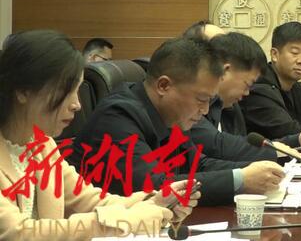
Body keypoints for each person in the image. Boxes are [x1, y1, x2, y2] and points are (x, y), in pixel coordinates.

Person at [0, 30, 192, 241]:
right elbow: (16, 233)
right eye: (66, 91)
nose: (77, 104)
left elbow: (90, 201)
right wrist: (120, 222)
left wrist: (154, 202)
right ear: (23, 91)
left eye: (77, 91)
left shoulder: (43, 146)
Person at [72, 35, 285, 206]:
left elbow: (197, 163)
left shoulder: (169, 115)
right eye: (201, 99)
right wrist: (239, 179)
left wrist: (255, 170)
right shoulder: (117, 116)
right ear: (164, 86)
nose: (205, 110)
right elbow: (154, 187)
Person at [189, 32, 301, 163]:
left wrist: (297, 140)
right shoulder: (191, 104)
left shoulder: (231, 107)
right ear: (225, 71)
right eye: (247, 84)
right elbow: (218, 145)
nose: (247, 93)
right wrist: (273, 152)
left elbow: (241, 149)